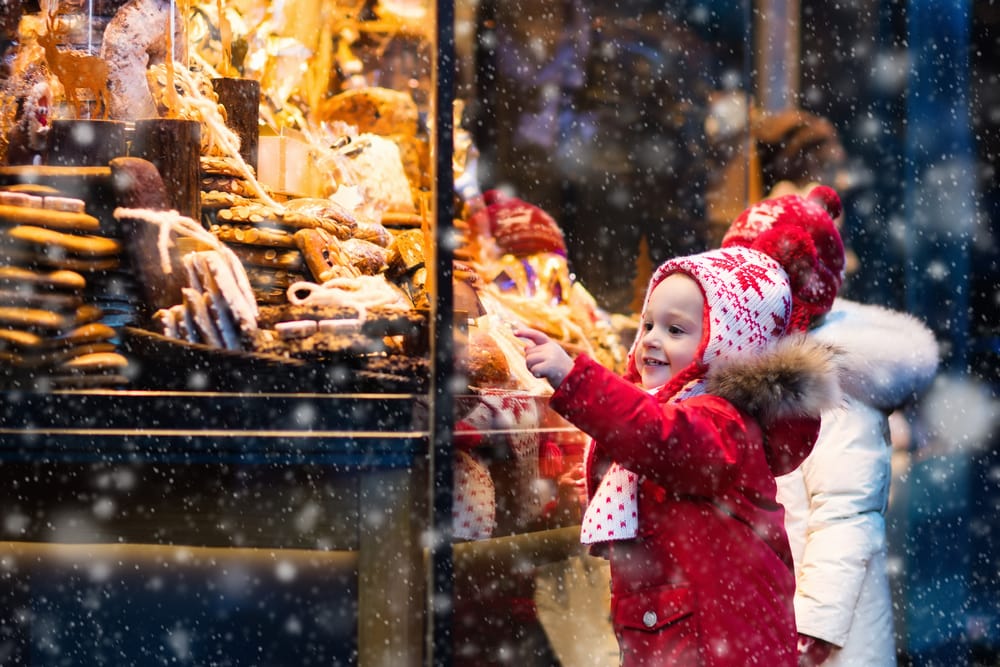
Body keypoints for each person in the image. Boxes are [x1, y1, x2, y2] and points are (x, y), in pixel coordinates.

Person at [514, 186, 845, 666]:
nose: (649, 339)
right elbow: (651, 457)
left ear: (724, 343)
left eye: (676, 330)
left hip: (714, 644)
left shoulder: (722, 420)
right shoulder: (681, 411)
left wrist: (577, 378)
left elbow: (659, 438)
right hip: (679, 633)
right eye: (647, 324)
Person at [720, 190, 940, 667]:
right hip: (771, 611)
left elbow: (847, 515)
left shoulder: (831, 383)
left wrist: (813, 628)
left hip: (823, 633)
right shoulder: (761, 369)